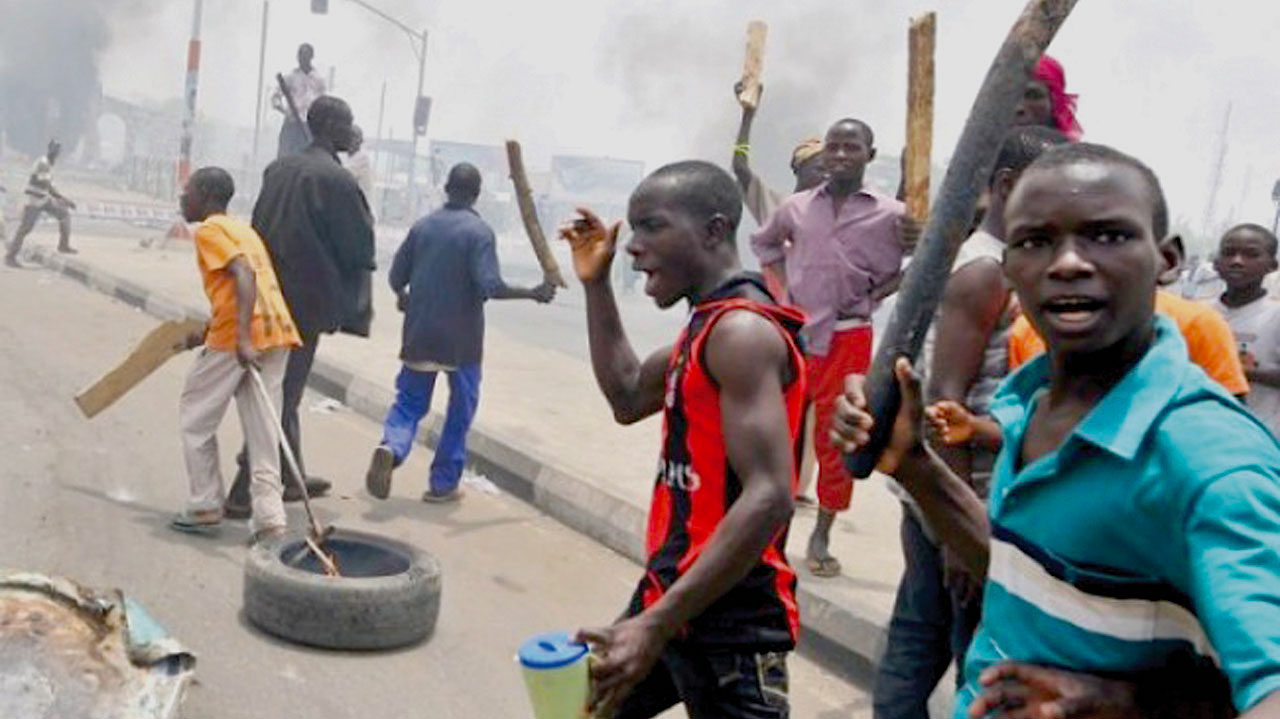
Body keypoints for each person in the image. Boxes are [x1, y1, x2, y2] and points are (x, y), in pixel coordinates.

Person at [833, 143, 1280, 719]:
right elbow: (1028, 580)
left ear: (1166, 260)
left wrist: (1135, 705)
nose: (1067, 261)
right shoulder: (1031, 404)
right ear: (1010, 269)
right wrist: (914, 464)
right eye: (1036, 242)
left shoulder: (1210, 461)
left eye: (1108, 236)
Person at [562, 161, 804, 719]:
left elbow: (771, 495)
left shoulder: (741, 333)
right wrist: (596, 286)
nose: (634, 247)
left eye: (652, 226)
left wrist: (654, 623)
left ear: (715, 231)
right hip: (673, 597)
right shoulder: (705, 328)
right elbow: (626, 395)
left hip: (731, 624)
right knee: (580, 708)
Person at [872, 125, 1068, 719]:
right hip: (963, 497)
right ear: (1007, 185)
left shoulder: (988, 263)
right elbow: (946, 402)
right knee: (966, 658)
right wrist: (959, 530)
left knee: (919, 639)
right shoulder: (984, 271)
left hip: (947, 495)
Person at [750, 117, 906, 577]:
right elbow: (765, 247)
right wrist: (781, 296)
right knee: (780, 432)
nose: (839, 155)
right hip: (798, 335)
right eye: (833, 148)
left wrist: (876, 294)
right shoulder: (795, 208)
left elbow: (915, 263)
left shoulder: (891, 214)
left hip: (849, 336)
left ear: (869, 156)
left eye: (850, 148)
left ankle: (822, 531)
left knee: (838, 439)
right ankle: (766, 529)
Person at [365, 163, 556, 503]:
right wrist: (532, 292)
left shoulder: (422, 227)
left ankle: (391, 447)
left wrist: (403, 297)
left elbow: (396, 276)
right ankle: (442, 484)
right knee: (460, 409)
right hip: (462, 342)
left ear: (446, 189)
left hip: (419, 332)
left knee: (408, 403)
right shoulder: (479, 232)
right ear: (477, 194)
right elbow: (491, 286)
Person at [223, 95, 374, 519]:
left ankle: (292, 477)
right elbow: (360, 246)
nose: (351, 131)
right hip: (304, 304)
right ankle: (241, 491)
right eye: (346, 123)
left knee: (281, 386)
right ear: (328, 125)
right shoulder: (338, 181)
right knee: (284, 394)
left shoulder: (279, 169)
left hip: (265, 295)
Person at [169, 167, 299, 543]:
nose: (182, 197)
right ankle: (270, 520)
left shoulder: (210, 230)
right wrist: (209, 331)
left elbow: (244, 274)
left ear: (207, 195)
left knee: (195, 418)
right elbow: (237, 286)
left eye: (188, 191)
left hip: (240, 339)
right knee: (263, 430)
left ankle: (206, 504)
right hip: (277, 333)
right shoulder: (244, 230)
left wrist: (240, 337)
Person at [1211, 223, 1280, 435]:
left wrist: (1236, 369)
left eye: (1251, 254)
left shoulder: (1275, 316)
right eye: (1229, 253)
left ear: (1272, 265)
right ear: (1216, 262)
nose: (1237, 261)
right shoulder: (1197, 313)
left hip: (1259, 437)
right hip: (1201, 435)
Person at [729, 82, 826, 225]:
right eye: (820, 169)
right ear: (799, 167)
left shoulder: (833, 215)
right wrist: (747, 115)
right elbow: (740, 167)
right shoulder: (776, 207)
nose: (827, 176)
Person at [6, 139, 75, 267]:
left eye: (58, 150)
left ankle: (63, 245)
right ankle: (10, 256)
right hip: (34, 200)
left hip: (44, 199)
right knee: (25, 228)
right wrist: (64, 199)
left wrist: (61, 199)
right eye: (55, 150)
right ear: (50, 150)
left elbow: (48, 186)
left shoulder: (49, 164)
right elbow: (45, 184)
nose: (56, 153)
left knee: (64, 215)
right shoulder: (43, 163)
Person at [273, 43, 326, 158]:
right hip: (292, 124)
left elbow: (323, 103)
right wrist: (286, 112)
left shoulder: (319, 79)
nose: (303, 59)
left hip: (309, 125)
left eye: (306, 56)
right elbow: (275, 99)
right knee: (286, 156)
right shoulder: (291, 77)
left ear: (311, 57)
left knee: (308, 157)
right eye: (301, 56)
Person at [344, 124, 375, 202]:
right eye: (347, 136)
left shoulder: (362, 159)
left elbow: (342, 176)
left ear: (360, 141)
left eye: (353, 137)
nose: (350, 140)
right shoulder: (349, 159)